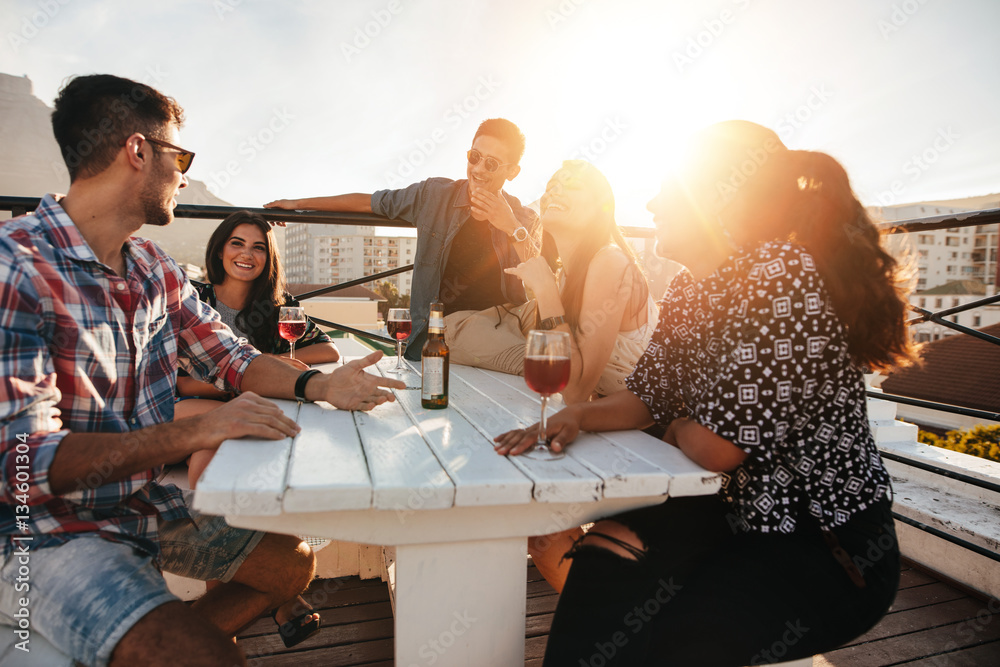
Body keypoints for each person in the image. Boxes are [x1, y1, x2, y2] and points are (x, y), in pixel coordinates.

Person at [0, 74, 404, 667]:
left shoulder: (154, 267)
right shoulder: (17, 267)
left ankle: (153, 637)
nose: (184, 175)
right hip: (42, 534)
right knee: (211, 658)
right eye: (178, 155)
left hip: (139, 507)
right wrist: (196, 430)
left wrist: (322, 385)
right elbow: (22, 466)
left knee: (291, 564)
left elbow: (231, 357)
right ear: (138, 152)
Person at [495, 120, 918, 665]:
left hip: (824, 544)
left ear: (721, 196)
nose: (650, 203)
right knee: (605, 556)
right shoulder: (692, 291)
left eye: (667, 191)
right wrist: (577, 414)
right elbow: (645, 398)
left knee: (676, 634)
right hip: (729, 514)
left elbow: (717, 449)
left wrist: (680, 427)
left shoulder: (781, 275)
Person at [264, 118, 542, 360]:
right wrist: (297, 203)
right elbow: (369, 203)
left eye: (491, 164)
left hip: (509, 316)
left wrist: (511, 226)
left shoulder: (523, 217)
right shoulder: (435, 195)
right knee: (540, 358)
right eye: (474, 157)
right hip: (452, 326)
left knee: (569, 326)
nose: (478, 169)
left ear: (512, 172)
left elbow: (542, 279)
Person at [501, 160, 657, 591]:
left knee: (547, 533)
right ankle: (605, 619)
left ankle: (606, 624)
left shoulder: (608, 260)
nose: (555, 190)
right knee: (542, 528)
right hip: (609, 426)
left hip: (649, 435)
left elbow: (575, 390)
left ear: (602, 207)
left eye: (571, 186)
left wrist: (547, 293)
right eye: (551, 184)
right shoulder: (575, 268)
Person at [176, 209, 341, 488]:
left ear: (268, 257)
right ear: (219, 250)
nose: (247, 255)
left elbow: (328, 349)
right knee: (238, 427)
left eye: (258, 248)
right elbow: (186, 386)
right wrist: (256, 373)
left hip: (239, 412)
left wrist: (267, 363)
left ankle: (211, 521)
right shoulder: (195, 298)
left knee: (215, 447)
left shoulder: (278, 305)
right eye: (237, 243)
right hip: (184, 410)